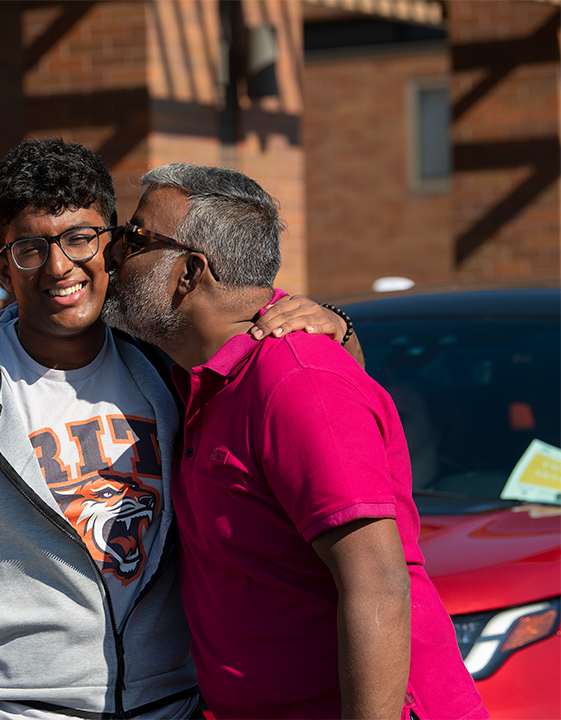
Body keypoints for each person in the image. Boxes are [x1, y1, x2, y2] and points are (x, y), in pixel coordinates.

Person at [0, 139, 353, 719]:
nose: (60, 267)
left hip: (173, 707)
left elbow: (302, 380)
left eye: (80, 238)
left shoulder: (169, 362)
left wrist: (337, 323)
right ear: (3, 269)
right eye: (31, 249)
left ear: (112, 246)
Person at [101, 164, 486, 719]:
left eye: (135, 238)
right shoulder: (202, 377)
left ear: (189, 272)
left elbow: (377, 583)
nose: (115, 253)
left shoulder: (298, 383)